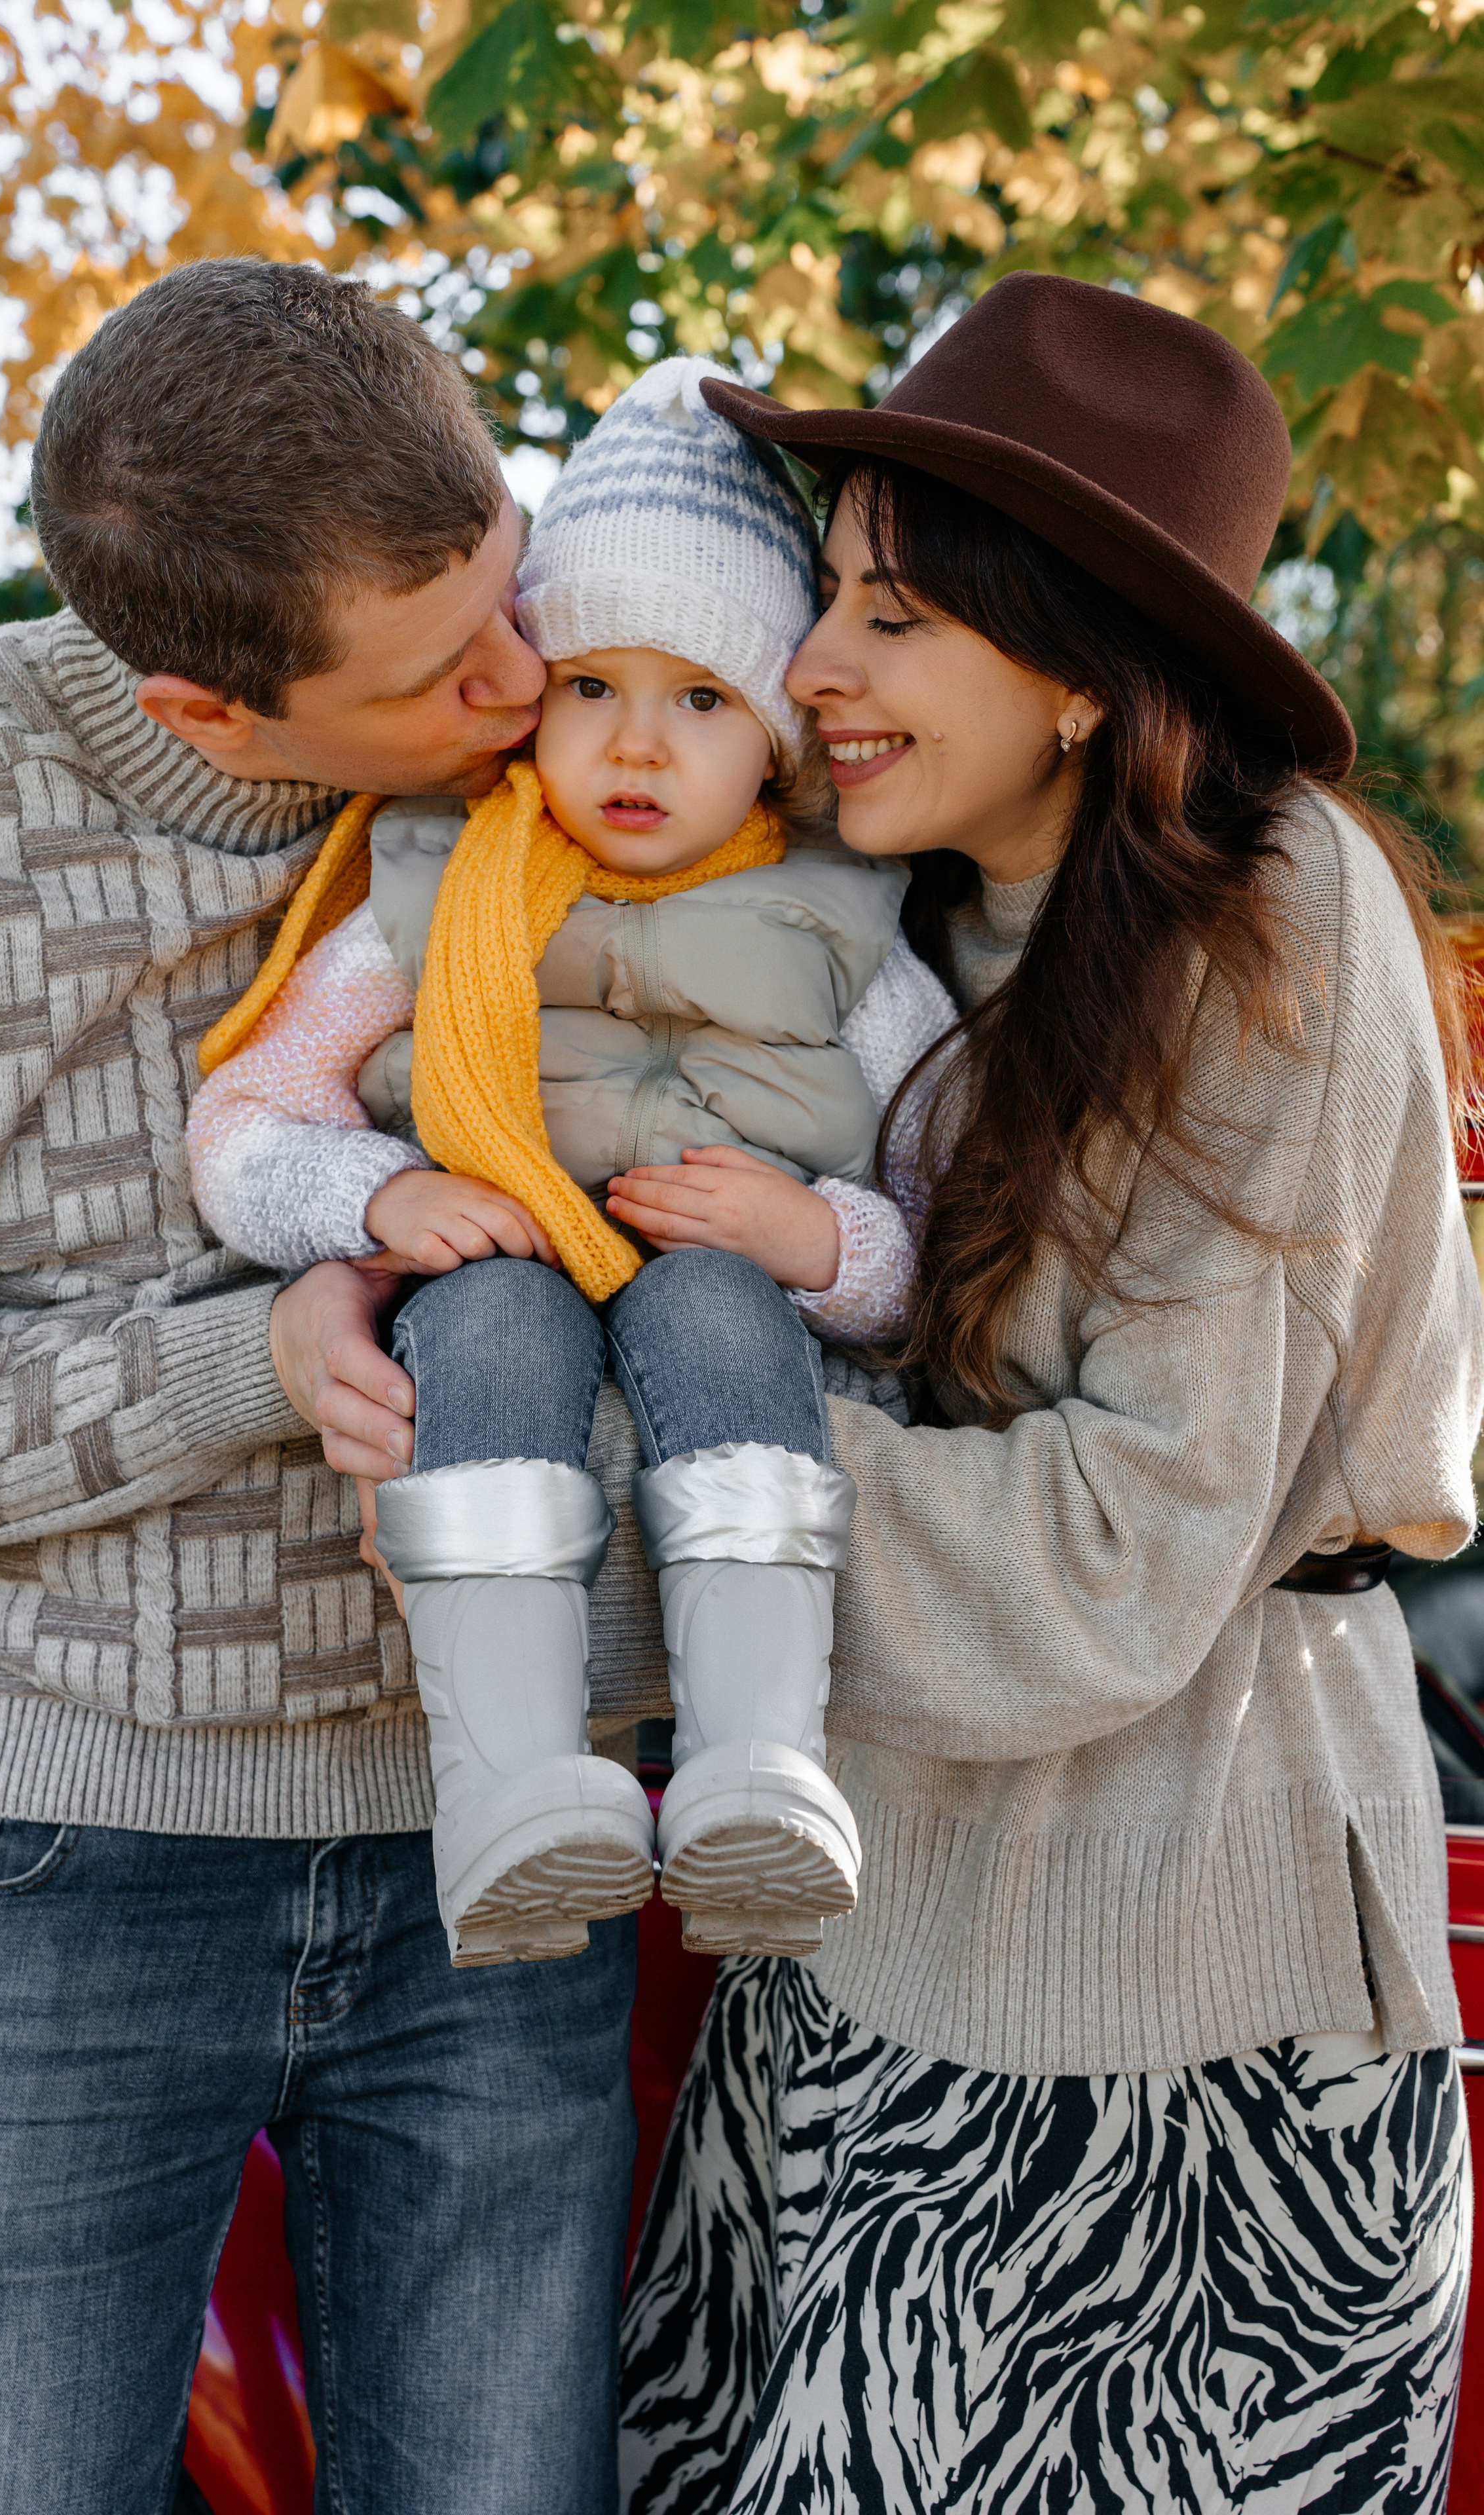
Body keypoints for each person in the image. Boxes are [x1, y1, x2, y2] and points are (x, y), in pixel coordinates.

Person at [606, 274, 1484, 2510]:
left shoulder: (1269, 921)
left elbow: (1113, 1562)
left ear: (1085, 668)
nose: (815, 671)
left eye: (891, 617)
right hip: (870, 1947)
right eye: (825, 601)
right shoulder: (894, 928)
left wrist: (669, 1477)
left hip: (1180, 1998)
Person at [0, 258, 646, 2515]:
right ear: (218, 713)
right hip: (70, 1848)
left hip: (514, 1832)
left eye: (506, 580)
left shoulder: (624, 705)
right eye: (441, 670)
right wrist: (248, 1360)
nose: (529, 676)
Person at [185, 359, 957, 1970]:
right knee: (489, 1323)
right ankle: (508, 1781)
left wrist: (813, 1238)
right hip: (494, 1287)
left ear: (775, 741)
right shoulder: (430, 893)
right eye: (589, 686)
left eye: (697, 700)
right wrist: (374, 1198)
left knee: (716, 1315)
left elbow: (947, 1238)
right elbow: (245, 1124)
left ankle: (761, 1765)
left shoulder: (852, 937)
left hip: (724, 1300)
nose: (634, 744)